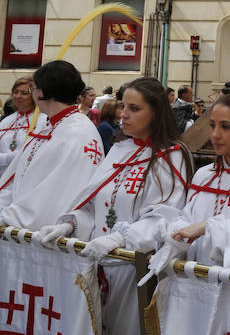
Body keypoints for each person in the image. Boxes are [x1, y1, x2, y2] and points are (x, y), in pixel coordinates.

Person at [37, 77, 193, 335]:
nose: (124, 115)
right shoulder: (119, 148)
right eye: (123, 106)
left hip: (133, 270)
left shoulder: (172, 155)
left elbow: (166, 216)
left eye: (134, 108)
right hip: (97, 265)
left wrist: (119, 239)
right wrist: (69, 224)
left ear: (155, 112)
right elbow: (95, 203)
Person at [139, 92, 230, 280]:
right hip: (194, 283)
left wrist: (209, 228)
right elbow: (188, 220)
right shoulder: (204, 175)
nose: (214, 135)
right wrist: (171, 232)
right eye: (212, 125)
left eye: (226, 127)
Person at [0, 61, 104, 229]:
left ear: (42, 92)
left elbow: (54, 191)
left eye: (33, 88)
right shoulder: (52, 126)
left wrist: (12, 216)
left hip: (41, 233)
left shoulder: (77, 133)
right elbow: (19, 175)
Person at [0, 77, 48, 175]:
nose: (18, 96)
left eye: (24, 93)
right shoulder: (6, 121)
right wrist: (9, 158)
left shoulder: (43, 120)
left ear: (34, 95)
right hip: (3, 175)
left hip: (26, 174)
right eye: (15, 92)